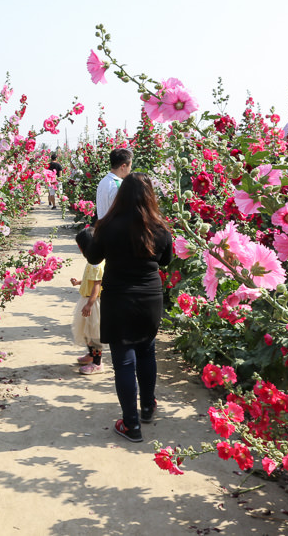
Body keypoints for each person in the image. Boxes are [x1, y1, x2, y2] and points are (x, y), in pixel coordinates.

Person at [83, 172, 172, 443]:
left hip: (119, 299)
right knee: (147, 352)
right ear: (150, 197)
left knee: (123, 362)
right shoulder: (159, 228)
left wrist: (89, 237)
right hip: (149, 299)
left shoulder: (108, 225)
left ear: (121, 196)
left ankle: (131, 425)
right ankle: (147, 407)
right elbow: (166, 261)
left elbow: (94, 256)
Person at [70, 227, 104, 375]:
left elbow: (97, 285)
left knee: (94, 335)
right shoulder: (93, 261)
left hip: (93, 303)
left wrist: (89, 304)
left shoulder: (96, 264)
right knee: (87, 332)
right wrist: (79, 282)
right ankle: (91, 355)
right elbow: (90, 279)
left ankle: (97, 364)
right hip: (87, 301)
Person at [95, 148, 132, 223]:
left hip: (102, 228)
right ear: (123, 166)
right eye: (130, 166)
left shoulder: (103, 181)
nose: (130, 169)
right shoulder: (119, 185)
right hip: (114, 230)